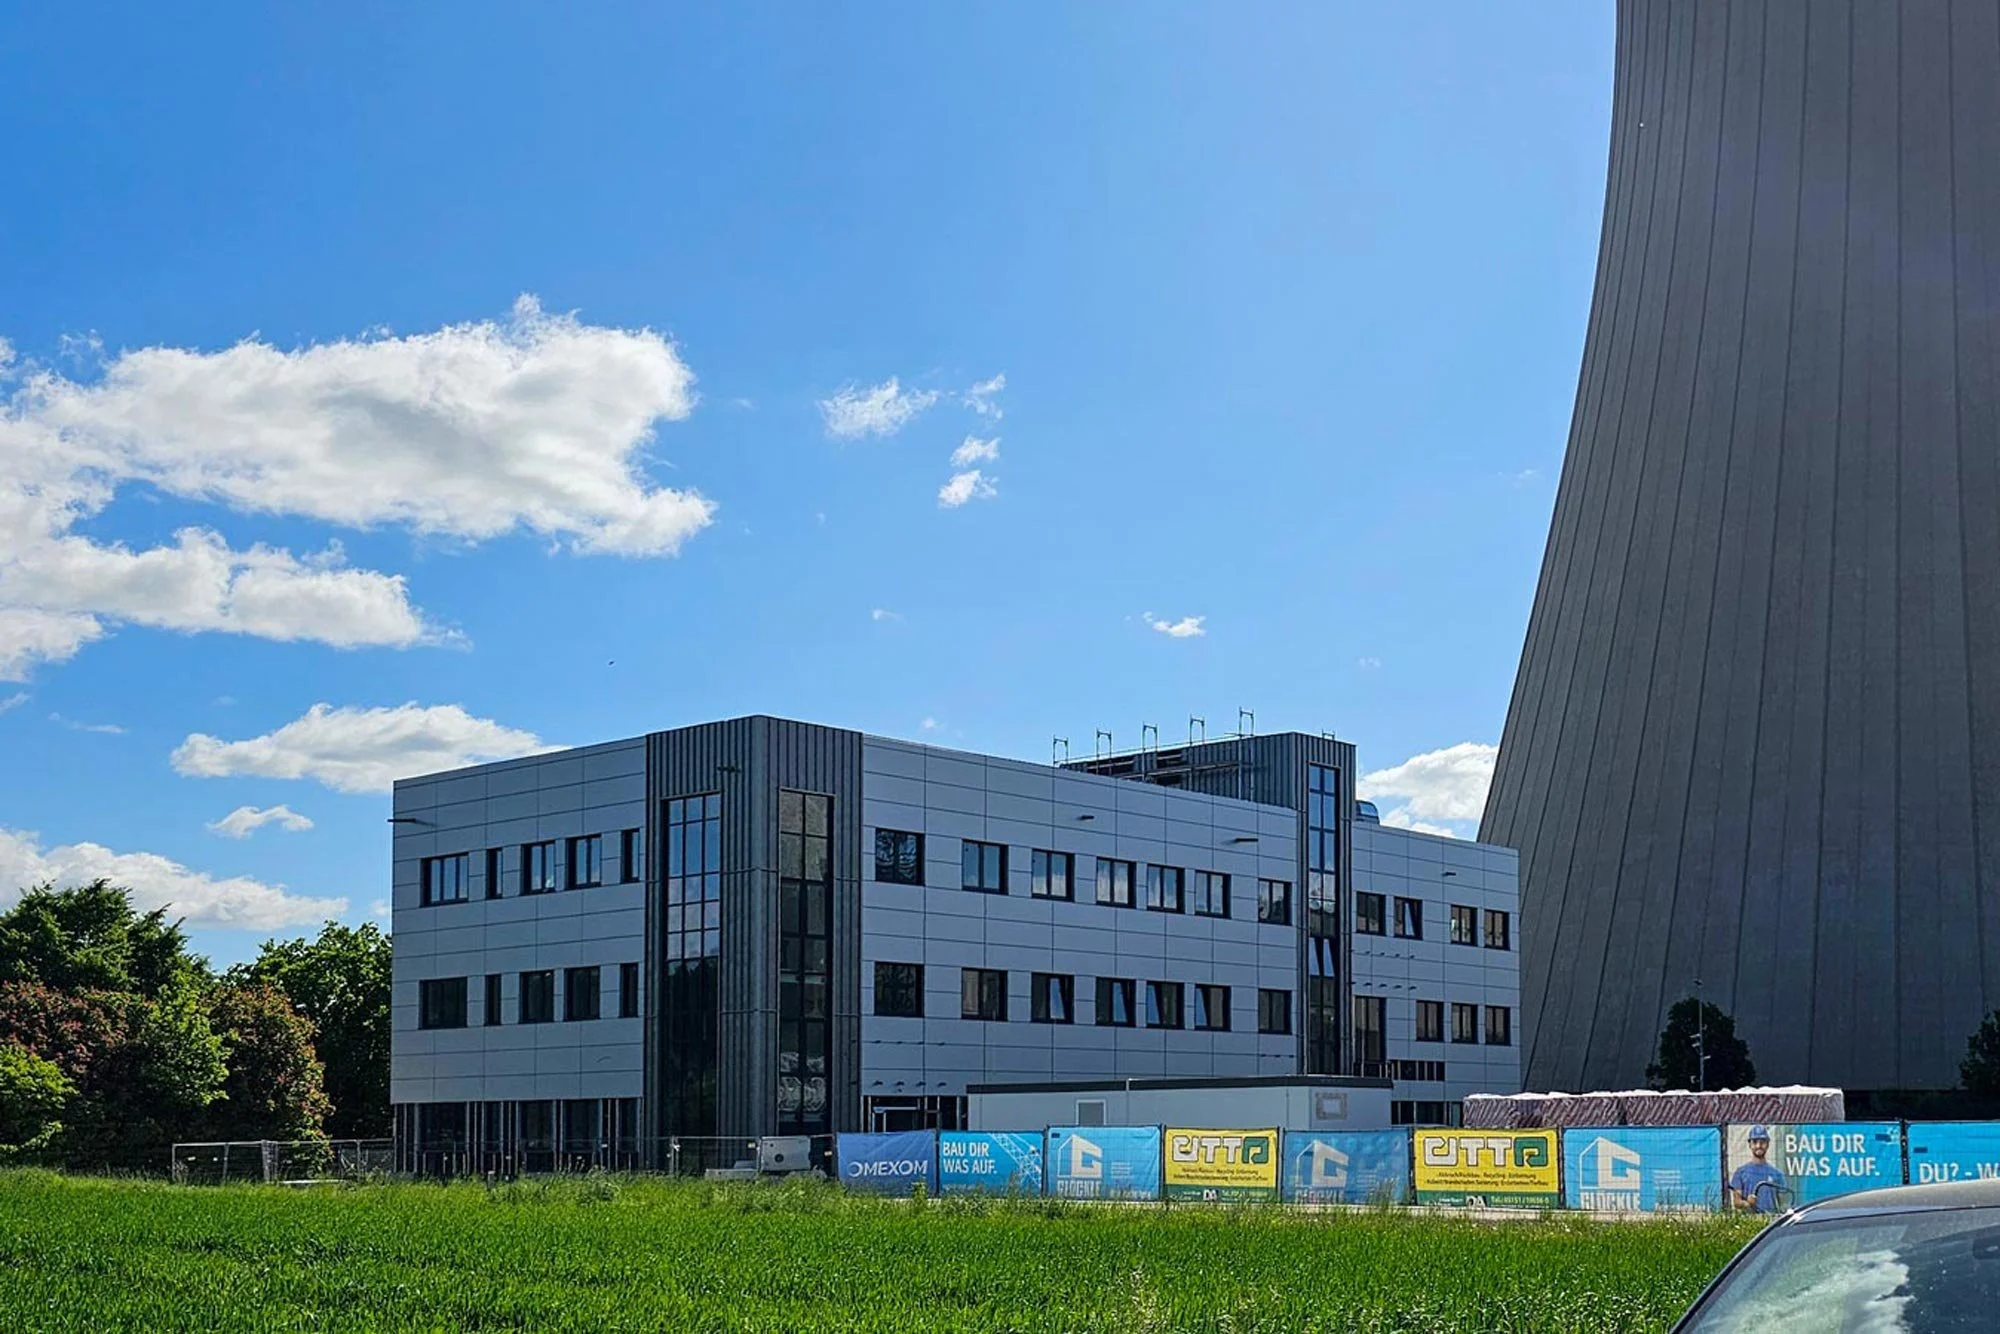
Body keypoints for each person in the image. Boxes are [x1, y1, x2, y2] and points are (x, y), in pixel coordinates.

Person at [1728, 1125, 1787, 1212]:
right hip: (1749, 1219)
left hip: (1772, 1218)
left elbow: (1783, 1205)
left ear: (1768, 1144)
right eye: (1755, 1142)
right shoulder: (1740, 1172)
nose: (1759, 1145)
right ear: (1750, 1144)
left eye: (1762, 1142)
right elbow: (1737, 1202)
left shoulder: (1777, 1174)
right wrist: (1747, 1203)